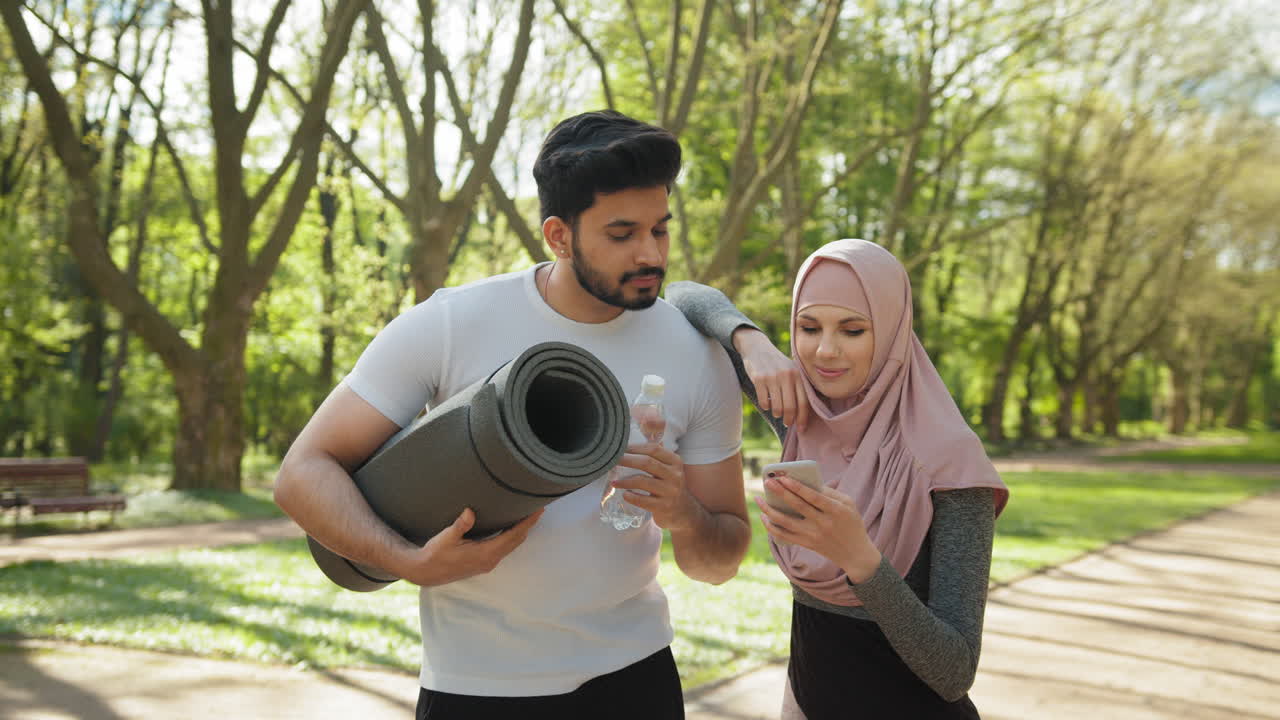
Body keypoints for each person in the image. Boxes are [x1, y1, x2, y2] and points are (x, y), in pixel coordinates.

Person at [274, 110, 750, 719]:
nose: (650, 254)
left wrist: (684, 514)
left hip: (636, 681)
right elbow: (302, 472)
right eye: (622, 233)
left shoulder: (695, 355)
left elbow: (721, 560)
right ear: (558, 236)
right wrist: (407, 562)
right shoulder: (450, 324)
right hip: (475, 689)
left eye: (661, 229)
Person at [667, 238, 1009, 719]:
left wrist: (860, 560)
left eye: (852, 330)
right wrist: (753, 343)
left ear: (890, 331)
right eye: (808, 327)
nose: (825, 351)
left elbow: (954, 670)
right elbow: (682, 295)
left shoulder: (950, 463)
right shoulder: (801, 417)